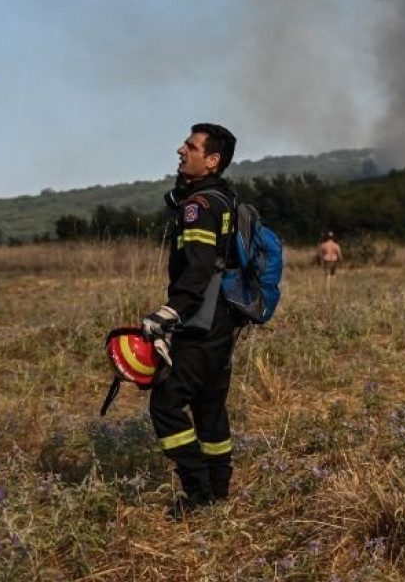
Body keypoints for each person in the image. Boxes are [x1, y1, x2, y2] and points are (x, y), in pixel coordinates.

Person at [140, 122, 244, 518]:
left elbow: (199, 268)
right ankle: (218, 490)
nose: (180, 150)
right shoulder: (225, 198)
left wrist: (171, 311)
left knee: (166, 404)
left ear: (212, 160)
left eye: (190, 146)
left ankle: (199, 493)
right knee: (209, 405)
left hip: (202, 318)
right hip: (223, 318)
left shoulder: (198, 205)